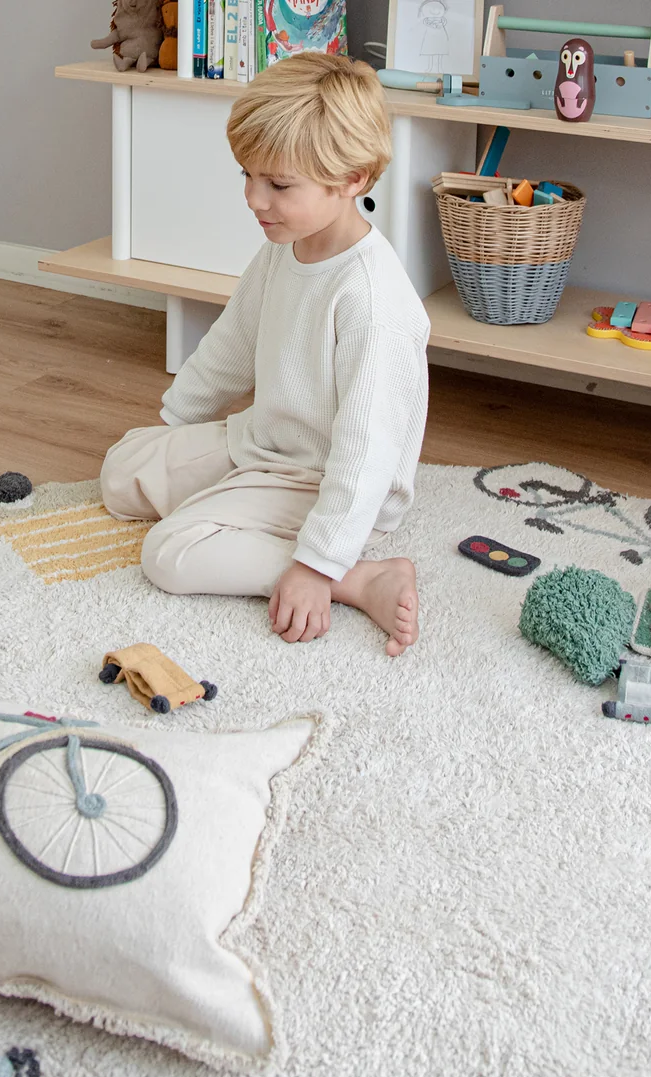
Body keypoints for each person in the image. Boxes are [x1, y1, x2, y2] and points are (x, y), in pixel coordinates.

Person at [100, 53, 430, 654]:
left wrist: (318, 563)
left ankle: (358, 577)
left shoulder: (373, 301)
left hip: (326, 478)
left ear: (352, 179)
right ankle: (236, 506)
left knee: (169, 553)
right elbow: (235, 339)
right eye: (247, 175)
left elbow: (367, 449)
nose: (254, 198)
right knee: (122, 471)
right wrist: (178, 427)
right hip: (265, 444)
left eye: (278, 185)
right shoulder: (287, 243)